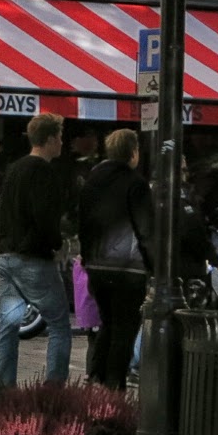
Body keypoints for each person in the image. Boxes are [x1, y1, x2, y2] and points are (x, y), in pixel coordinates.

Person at [0, 112, 70, 387]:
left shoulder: (14, 169)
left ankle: (5, 386)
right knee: (59, 324)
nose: (62, 142)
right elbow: (44, 216)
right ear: (49, 140)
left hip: (7, 255)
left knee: (8, 325)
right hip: (33, 258)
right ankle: (54, 388)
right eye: (59, 137)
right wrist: (57, 244)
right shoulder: (43, 172)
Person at [78, 129, 151, 392]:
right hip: (128, 268)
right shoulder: (136, 183)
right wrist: (153, 264)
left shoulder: (92, 181)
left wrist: (87, 258)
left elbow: (82, 223)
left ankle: (96, 377)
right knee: (125, 328)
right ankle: (114, 385)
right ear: (133, 152)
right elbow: (145, 229)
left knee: (107, 323)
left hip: (97, 265)